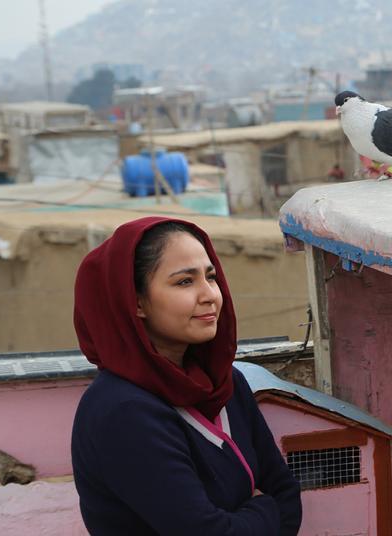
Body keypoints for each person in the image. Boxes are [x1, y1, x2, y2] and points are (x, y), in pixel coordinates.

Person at [70, 216, 302, 535]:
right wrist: (264, 508)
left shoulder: (226, 383)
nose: (209, 295)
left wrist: (255, 516)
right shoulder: (123, 411)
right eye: (184, 282)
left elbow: (286, 494)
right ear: (135, 302)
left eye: (211, 276)